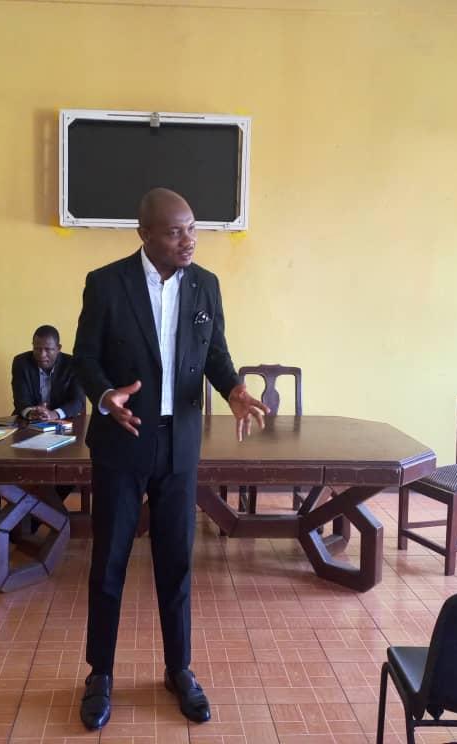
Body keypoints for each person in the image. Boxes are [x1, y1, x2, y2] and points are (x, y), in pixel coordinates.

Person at [72, 187, 269, 730]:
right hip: (121, 440)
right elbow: (83, 358)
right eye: (176, 231)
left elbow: (216, 354)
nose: (189, 240)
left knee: (177, 562)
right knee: (109, 561)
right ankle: (101, 674)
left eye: (193, 228)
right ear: (146, 234)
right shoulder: (106, 284)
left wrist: (232, 389)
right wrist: (103, 394)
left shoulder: (206, 285)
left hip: (179, 446)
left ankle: (179, 669)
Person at [0, 325, 85, 555]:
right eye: (37, 349)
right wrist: (31, 411)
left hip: (65, 429)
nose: (42, 355)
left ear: (59, 348)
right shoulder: (21, 362)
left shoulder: (74, 364)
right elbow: (20, 399)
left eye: (48, 350)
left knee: (69, 470)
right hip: (28, 427)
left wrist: (54, 414)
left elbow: (78, 402)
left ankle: (28, 521)